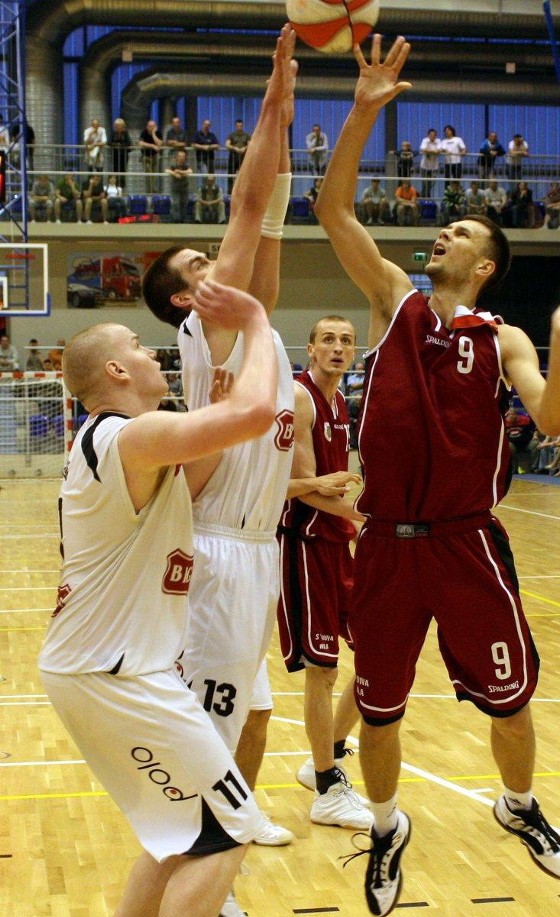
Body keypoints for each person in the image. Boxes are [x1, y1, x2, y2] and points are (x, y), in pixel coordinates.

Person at [315, 35, 560, 917]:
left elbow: (558, 419)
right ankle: (384, 824)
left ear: (484, 264)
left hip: (468, 545)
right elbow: (335, 212)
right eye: (441, 230)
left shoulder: (506, 339)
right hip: (385, 548)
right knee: (377, 712)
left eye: (457, 234)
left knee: (510, 700)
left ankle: (519, 806)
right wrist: (363, 113)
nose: (440, 235)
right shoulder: (393, 302)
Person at [38, 279, 278, 917]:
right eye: (141, 348)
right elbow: (258, 415)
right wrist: (256, 324)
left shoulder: (124, 445)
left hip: (103, 668)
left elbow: (194, 478)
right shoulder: (125, 437)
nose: (154, 355)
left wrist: (213, 431)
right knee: (234, 828)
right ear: (116, 369)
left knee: (177, 837)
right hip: (116, 673)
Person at [142, 28, 299, 908]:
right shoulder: (207, 328)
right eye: (196, 267)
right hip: (215, 550)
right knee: (202, 729)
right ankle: (200, 875)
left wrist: (282, 112)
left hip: (256, 550)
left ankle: (201, 862)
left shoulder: (249, 323)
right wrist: (274, 97)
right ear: (180, 301)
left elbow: (267, 217)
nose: (214, 263)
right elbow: (247, 208)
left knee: (231, 718)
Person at [277, 315, 372, 831]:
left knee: (377, 652)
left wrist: (355, 509)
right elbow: (308, 487)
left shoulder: (340, 400)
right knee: (324, 668)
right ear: (310, 348)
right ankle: (327, 787)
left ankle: (327, 754)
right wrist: (366, 515)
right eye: (328, 340)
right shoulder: (300, 397)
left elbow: (335, 484)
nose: (338, 348)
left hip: (337, 542)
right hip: (303, 542)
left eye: (346, 341)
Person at [166, 149, 193, 223]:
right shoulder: (173, 164)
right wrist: (174, 174)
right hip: (175, 187)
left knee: (184, 203)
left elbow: (190, 171)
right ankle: (176, 219)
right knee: (175, 203)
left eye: (183, 156)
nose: (182, 158)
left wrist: (179, 172)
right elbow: (167, 170)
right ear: (177, 157)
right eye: (180, 156)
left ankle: (182, 219)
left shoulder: (186, 164)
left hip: (184, 187)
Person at [225, 118, 251, 193]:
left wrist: (244, 148)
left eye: (241, 126)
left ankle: (243, 191)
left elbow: (250, 145)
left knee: (244, 175)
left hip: (243, 157)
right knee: (231, 175)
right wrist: (235, 148)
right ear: (236, 126)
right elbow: (227, 145)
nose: (239, 127)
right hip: (233, 156)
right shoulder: (231, 135)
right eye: (238, 126)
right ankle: (229, 192)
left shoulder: (246, 135)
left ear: (242, 126)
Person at [139, 119, 163, 194]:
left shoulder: (158, 133)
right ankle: (148, 192)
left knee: (154, 175)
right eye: (150, 126)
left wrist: (153, 134)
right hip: (146, 156)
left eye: (153, 126)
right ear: (147, 127)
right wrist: (152, 146)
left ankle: (154, 192)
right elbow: (141, 143)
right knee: (148, 174)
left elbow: (159, 144)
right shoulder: (144, 132)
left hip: (155, 156)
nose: (151, 128)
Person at [109, 118, 131, 188]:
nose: (117, 127)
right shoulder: (113, 133)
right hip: (115, 155)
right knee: (115, 171)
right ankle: (115, 186)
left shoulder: (125, 133)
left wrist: (118, 145)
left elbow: (128, 142)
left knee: (123, 171)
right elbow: (109, 142)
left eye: (119, 125)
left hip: (124, 156)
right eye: (116, 125)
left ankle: (122, 187)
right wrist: (118, 145)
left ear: (123, 126)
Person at [418, 127, 440, 198]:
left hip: (434, 167)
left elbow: (438, 151)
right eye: (431, 135)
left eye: (434, 135)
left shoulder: (438, 141)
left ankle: (424, 195)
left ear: (436, 136)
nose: (432, 136)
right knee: (424, 183)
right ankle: (426, 197)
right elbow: (423, 149)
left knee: (431, 183)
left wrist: (429, 151)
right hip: (424, 166)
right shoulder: (425, 140)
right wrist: (433, 151)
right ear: (428, 135)